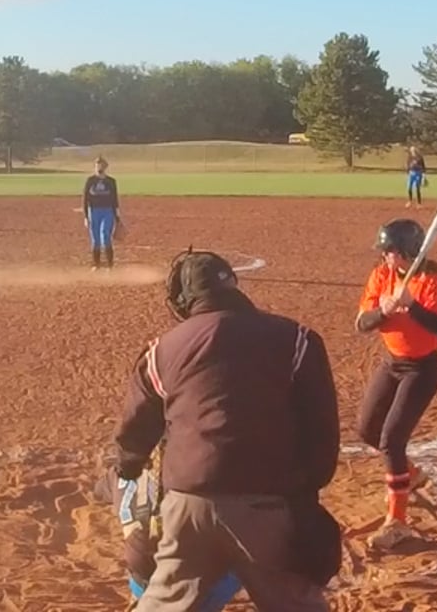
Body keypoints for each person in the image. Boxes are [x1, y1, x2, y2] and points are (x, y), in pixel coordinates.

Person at [113, 250, 341, 611]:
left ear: (184, 300)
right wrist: (303, 494)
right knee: (295, 602)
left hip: (188, 504)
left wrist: (127, 467)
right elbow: (321, 432)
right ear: (234, 286)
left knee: (166, 599)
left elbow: (134, 435)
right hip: (265, 504)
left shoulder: (161, 350)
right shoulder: (297, 339)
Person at [354, 218, 437, 552]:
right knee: (368, 430)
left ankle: (397, 523)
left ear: (408, 251)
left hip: (422, 369)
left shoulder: (431, 281)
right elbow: (362, 323)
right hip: (393, 363)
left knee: (392, 440)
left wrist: (412, 306)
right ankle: (410, 475)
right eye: (385, 251)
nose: (386, 257)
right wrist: (383, 311)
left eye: (392, 251)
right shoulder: (381, 275)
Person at [114, 445, 243, 610]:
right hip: (194, 582)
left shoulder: (120, 475)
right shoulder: (197, 476)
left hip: (143, 576)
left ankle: (141, 602)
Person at [84, 157, 122, 269]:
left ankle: (110, 265)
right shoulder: (90, 181)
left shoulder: (111, 181)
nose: (98, 168)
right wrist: (86, 216)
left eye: (101, 165)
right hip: (94, 211)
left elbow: (114, 199)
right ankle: (96, 264)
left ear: (105, 167)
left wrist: (117, 216)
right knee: (95, 239)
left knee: (105, 235)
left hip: (107, 211)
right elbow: (85, 199)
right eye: (97, 165)